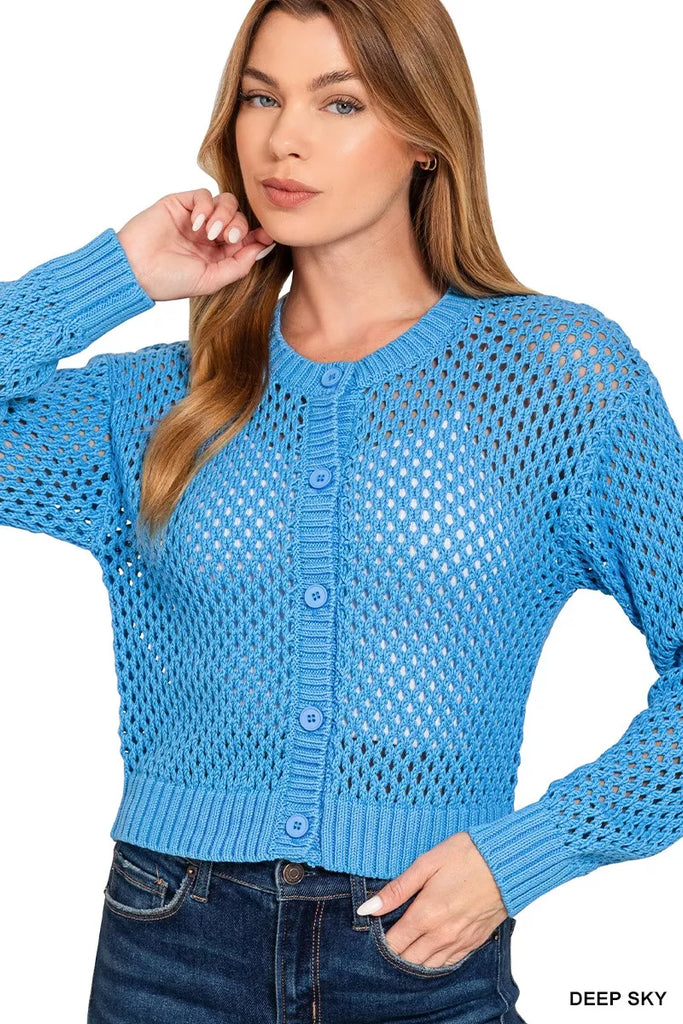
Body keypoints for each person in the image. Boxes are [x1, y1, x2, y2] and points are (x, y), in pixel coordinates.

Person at [1, 2, 680, 1022]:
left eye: (340, 103)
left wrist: (526, 855)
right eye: (259, 97)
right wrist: (117, 274)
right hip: (167, 940)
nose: (284, 138)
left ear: (423, 136)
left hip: (418, 941)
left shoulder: (553, 377)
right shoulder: (157, 402)